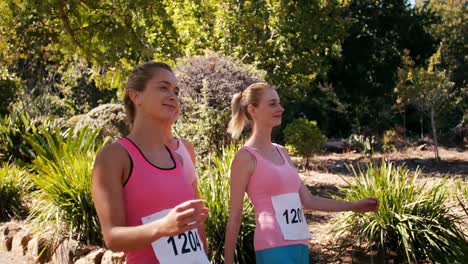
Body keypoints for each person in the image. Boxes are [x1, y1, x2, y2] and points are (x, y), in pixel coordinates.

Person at [223, 82, 379, 264]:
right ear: (253, 110)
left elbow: (309, 200)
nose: (281, 108)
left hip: (300, 245)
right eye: (272, 103)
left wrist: (353, 206)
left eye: (279, 103)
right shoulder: (245, 157)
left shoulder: (282, 151)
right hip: (273, 246)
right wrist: (228, 261)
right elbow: (235, 216)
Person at [92, 62, 210, 264]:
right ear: (136, 95)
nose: (173, 96)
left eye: (176, 91)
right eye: (163, 87)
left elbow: (195, 230)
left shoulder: (178, 158)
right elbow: (112, 237)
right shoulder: (114, 156)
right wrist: (162, 227)